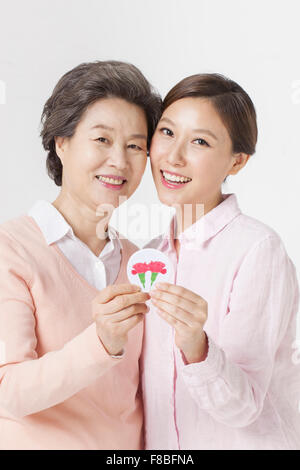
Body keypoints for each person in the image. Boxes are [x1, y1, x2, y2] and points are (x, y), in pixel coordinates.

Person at [0, 60, 162, 450]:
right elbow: (7, 391)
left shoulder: (143, 263)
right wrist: (101, 342)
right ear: (62, 141)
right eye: (102, 140)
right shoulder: (11, 249)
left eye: (136, 146)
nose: (120, 161)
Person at [141, 73, 300, 450]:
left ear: (237, 161)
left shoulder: (258, 249)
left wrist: (197, 345)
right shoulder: (149, 256)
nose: (173, 156)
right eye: (166, 132)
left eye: (199, 141)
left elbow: (244, 408)